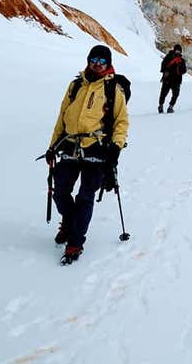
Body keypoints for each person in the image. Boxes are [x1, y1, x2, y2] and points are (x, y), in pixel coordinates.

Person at [45, 45, 129, 264]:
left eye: (102, 61)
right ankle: (69, 220)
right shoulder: (75, 86)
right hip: (70, 145)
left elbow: (121, 121)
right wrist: (52, 146)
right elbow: (62, 118)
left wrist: (116, 147)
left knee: (85, 196)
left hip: (97, 149)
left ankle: (75, 241)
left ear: (108, 64)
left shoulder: (113, 90)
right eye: (94, 59)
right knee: (60, 191)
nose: (97, 64)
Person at [158, 44, 187, 113]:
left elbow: (184, 70)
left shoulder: (180, 60)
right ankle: (163, 106)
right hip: (170, 79)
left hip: (174, 80)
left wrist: (178, 68)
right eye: (177, 50)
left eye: (179, 51)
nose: (178, 52)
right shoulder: (170, 57)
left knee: (173, 94)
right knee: (165, 93)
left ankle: (167, 107)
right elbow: (163, 66)